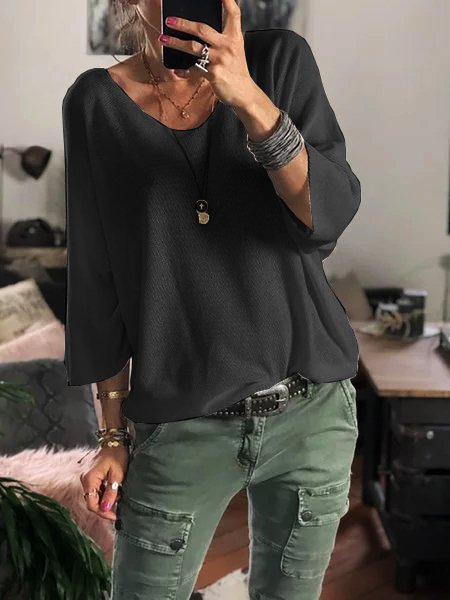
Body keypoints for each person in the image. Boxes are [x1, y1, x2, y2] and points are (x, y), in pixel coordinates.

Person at [62, 0, 362, 597]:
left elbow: (327, 216)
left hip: (311, 412)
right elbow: (97, 279)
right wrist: (112, 439)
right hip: (181, 425)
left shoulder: (277, 62)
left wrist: (249, 99)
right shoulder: (95, 103)